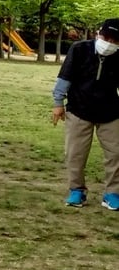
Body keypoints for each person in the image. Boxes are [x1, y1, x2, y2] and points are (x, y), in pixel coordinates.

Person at [50, 18, 119, 210]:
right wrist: (58, 103)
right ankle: (76, 190)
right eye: (107, 38)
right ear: (99, 34)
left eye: (115, 41)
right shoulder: (79, 49)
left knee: (116, 153)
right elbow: (65, 76)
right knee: (75, 153)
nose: (110, 44)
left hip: (110, 112)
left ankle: (112, 193)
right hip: (79, 109)